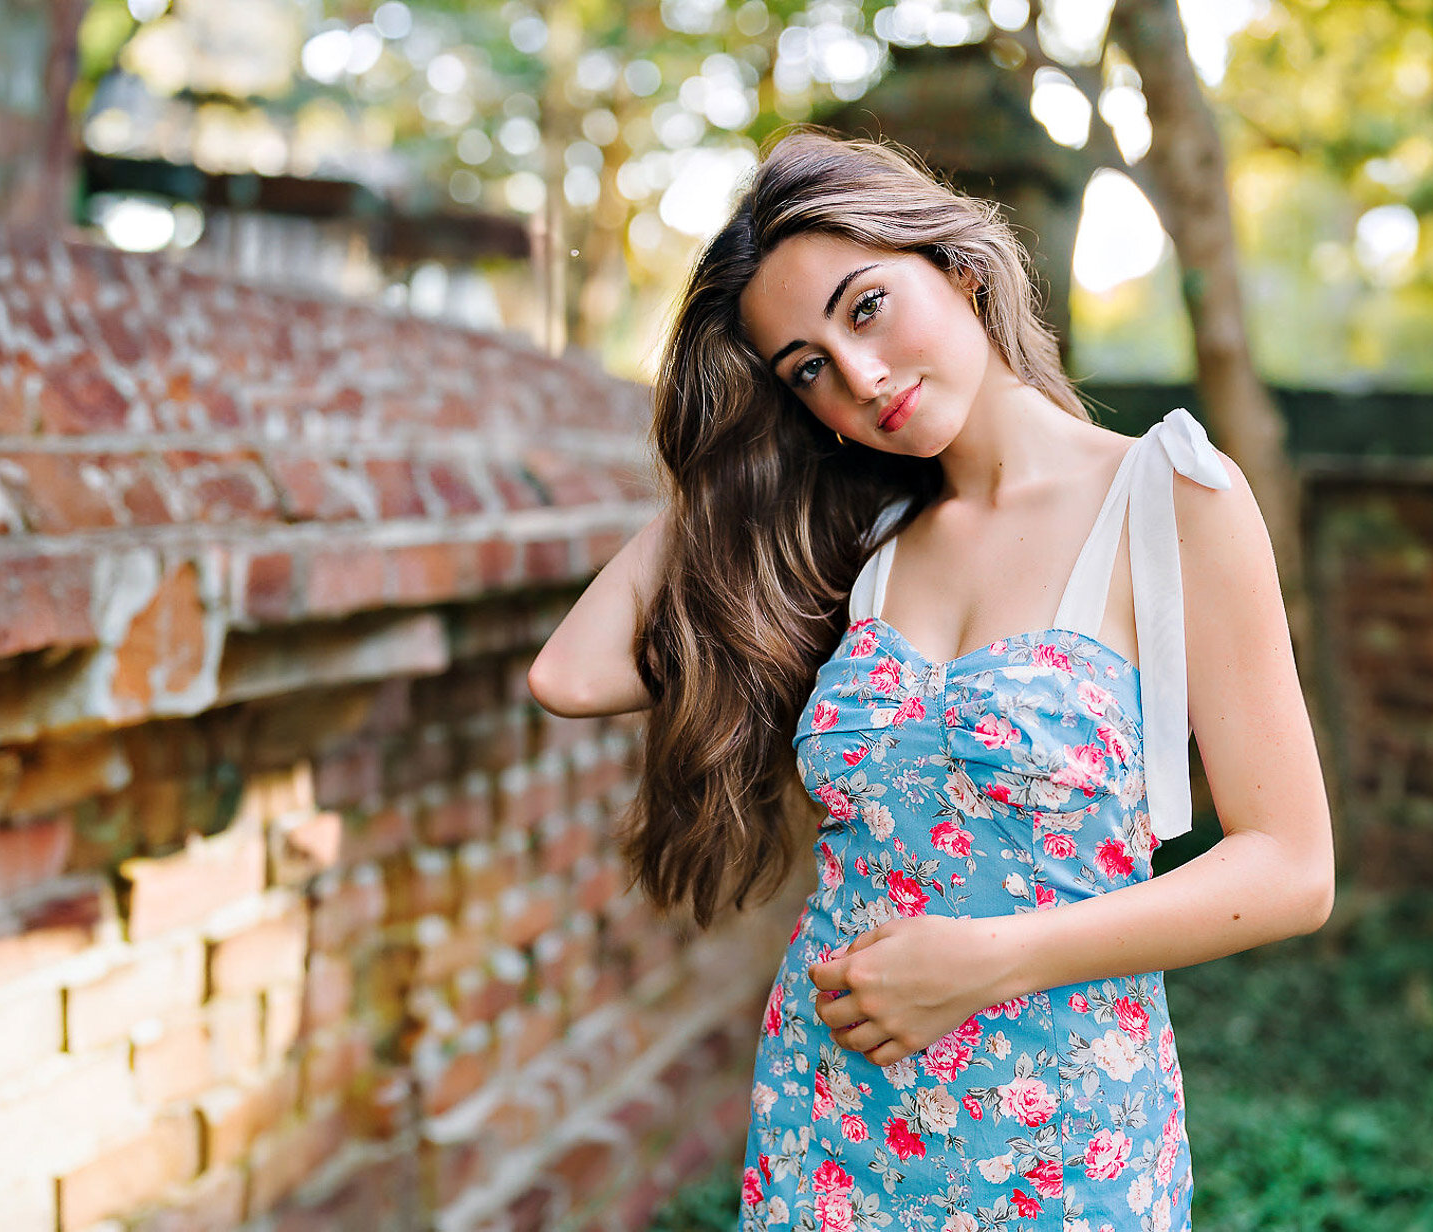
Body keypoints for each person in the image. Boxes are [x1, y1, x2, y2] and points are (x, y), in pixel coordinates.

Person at [528, 130, 1334, 1232]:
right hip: (831, 1128)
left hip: (1069, 1144)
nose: (858, 377)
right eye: (806, 368)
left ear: (956, 263)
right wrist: (739, 458)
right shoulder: (854, 542)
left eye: (866, 307)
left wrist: (994, 959)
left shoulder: (1169, 495)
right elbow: (572, 671)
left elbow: (1292, 865)